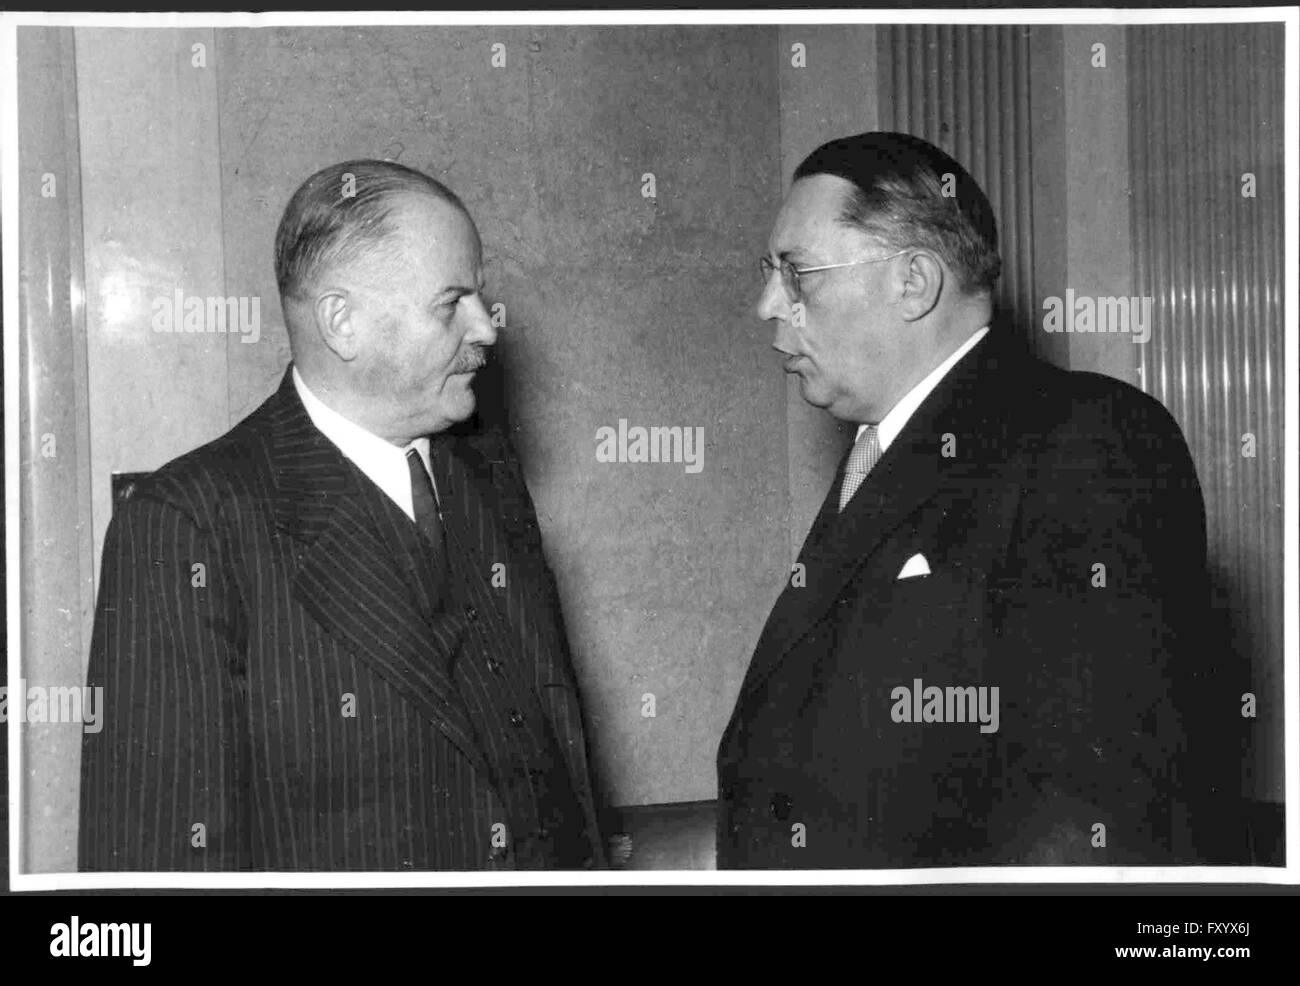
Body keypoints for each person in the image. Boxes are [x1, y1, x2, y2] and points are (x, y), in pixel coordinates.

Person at [718, 131, 1237, 868]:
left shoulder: (1088, 438)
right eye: (769, 272)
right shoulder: (884, 448)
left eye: (798, 275)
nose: (768, 302)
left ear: (914, 282)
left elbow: (1096, 807)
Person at [80, 159, 604, 870]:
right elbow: (155, 867)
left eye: (480, 297)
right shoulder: (186, 526)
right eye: (453, 303)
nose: (487, 327)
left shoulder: (488, 475)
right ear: (342, 322)